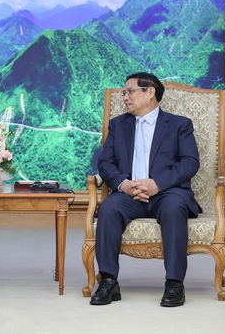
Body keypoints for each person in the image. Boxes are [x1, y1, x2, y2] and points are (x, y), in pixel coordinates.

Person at [91, 72, 200, 307]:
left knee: (174, 208)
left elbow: (190, 163)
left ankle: (174, 284)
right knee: (108, 208)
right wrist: (124, 185)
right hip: (129, 193)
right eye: (124, 93)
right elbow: (105, 163)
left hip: (167, 192)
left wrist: (156, 183)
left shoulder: (179, 125)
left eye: (130, 91)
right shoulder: (118, 125)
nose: (125, 97)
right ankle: (108, 281)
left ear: (150, 92)